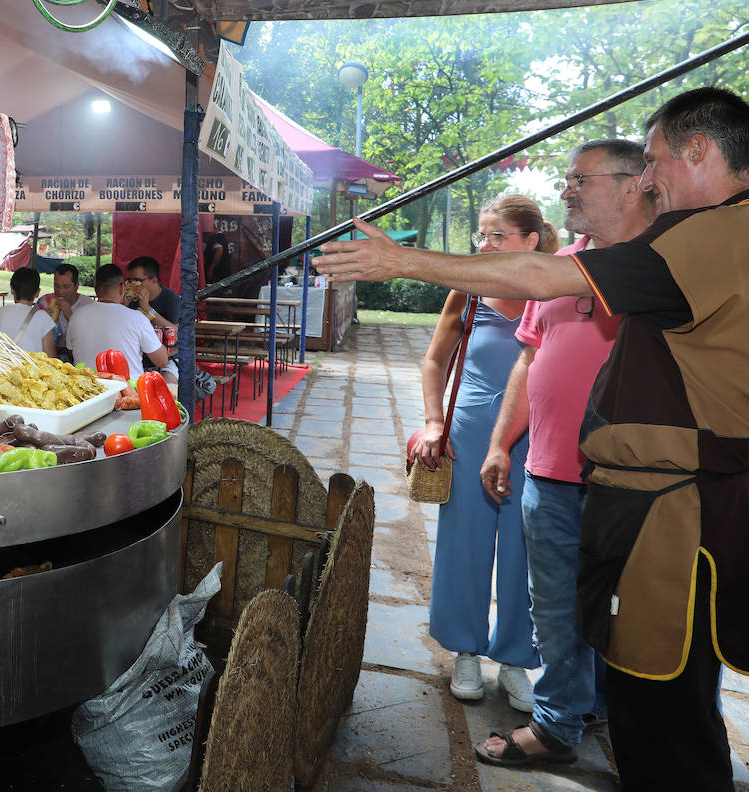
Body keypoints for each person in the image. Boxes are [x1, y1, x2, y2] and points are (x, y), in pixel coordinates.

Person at [315, 87, 749, 791]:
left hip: (675, 511)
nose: (652, 178)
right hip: (650, 497)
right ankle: (558, 717)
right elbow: (533, 339)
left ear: (699, 151)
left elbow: (543, 275)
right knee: (654, 682)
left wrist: (404, 262)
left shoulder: (711, 235)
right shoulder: (719, 235)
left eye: (658, 160)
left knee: (661, 705)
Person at [475, 140, 653, 766]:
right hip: (547, 472)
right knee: (554, 607)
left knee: (633, 612)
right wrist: (502, 444)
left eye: (581, 178)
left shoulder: (657, 265)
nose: (567, 189)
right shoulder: (559, 266)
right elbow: (530, 357)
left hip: (633, 483)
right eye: (567, 178)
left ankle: (630, 726)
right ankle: (557, 726)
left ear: (634, 186)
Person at [413, 195, 555, 714]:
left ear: (530, 242)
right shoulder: (469, 289)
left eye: (497, 236)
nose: (485, 245)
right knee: (465, 541)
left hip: (534, 436)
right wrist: (433, 422)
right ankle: (466, 650)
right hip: (471, 433)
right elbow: (434, 360)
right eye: (482, 235)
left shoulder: (553, 291)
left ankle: (517, 657)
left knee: (526, 550)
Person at [68, 263, 176, 385]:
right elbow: (162, 361)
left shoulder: (76, 315)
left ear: (95, 288)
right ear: (121, 288)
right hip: (127, 390)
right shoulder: (137, 318)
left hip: (87, 388)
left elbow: (72, 351)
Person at [0, 267, 57, 356]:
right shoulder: (43, 317)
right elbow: (51, 357)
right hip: (29, 369)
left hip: (0, 368)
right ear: (37, 292)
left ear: (12, 289)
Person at [37, 263, 92, 354]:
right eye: (57, 286)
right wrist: (39, 317)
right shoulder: (44, 302)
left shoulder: (87, 305)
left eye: (66, 287)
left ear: (76, 286)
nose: (60, 291)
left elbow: (89, 339)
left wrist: (71, 316)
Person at [125, 256, 179, 329]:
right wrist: (123, 305)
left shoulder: (171, 298)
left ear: (153, 280)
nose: (131, 285)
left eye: (137, 280)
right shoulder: (129, 299)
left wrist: (148, 309)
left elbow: (176, 331)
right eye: (129, 281)